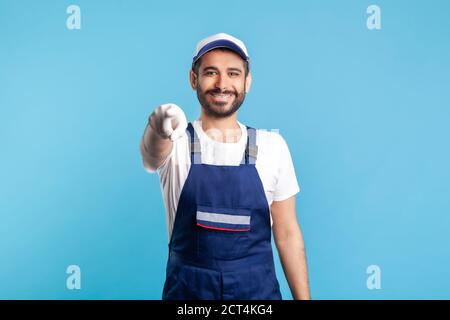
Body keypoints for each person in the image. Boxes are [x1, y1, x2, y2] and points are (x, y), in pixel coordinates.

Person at [140, 33, 311, 300]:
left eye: (233, 73)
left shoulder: (272, 146)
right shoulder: (176, 142)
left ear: (247, 82)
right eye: (211, 72)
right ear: (193, 79)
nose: (222, 84)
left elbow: (288, 233)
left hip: (257, 297)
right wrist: (157, 126)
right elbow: (150, 157)